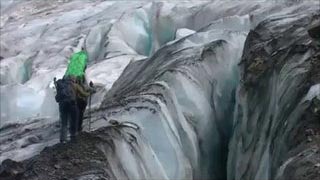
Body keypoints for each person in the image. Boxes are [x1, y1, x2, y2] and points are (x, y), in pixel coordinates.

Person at [54, 76, 79, 143]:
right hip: (72, 104)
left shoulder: (60, 87)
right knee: (73, 120)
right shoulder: (73, 85)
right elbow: (78, 95)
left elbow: (57, 99)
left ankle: (63, 139)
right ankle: (73, 135)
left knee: (64, 122)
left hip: (63, 106)